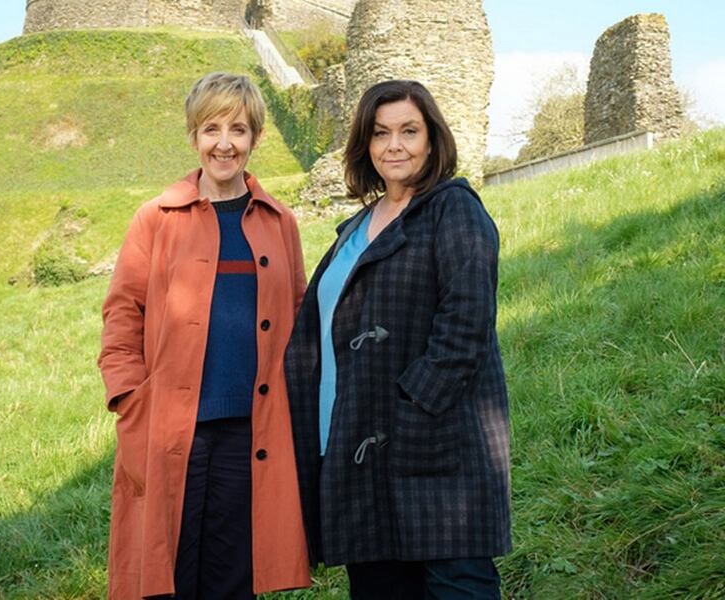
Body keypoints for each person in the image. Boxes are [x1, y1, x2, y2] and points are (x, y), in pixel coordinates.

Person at [285, 80, 512, 599]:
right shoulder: (354, 227)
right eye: (381, 133)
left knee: (458, 586)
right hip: (356, 449)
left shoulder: (453, 209)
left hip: (435, 450)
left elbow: (466, 324)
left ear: (432, 139)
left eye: (409, 131)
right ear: (365, 143)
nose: (395, 145)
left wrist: (411, 407)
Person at [98, 72, 311, 600]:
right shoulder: (155, 219)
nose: (224, 143)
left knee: (234, 577)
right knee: (167, 575)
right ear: (194, 136)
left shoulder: (280, 221)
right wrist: (129, 396)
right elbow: (123, 313)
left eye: (238, 129)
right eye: (211, 128)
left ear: (255, 138)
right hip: (171, 428)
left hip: (253, 431)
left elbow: (300, 313)